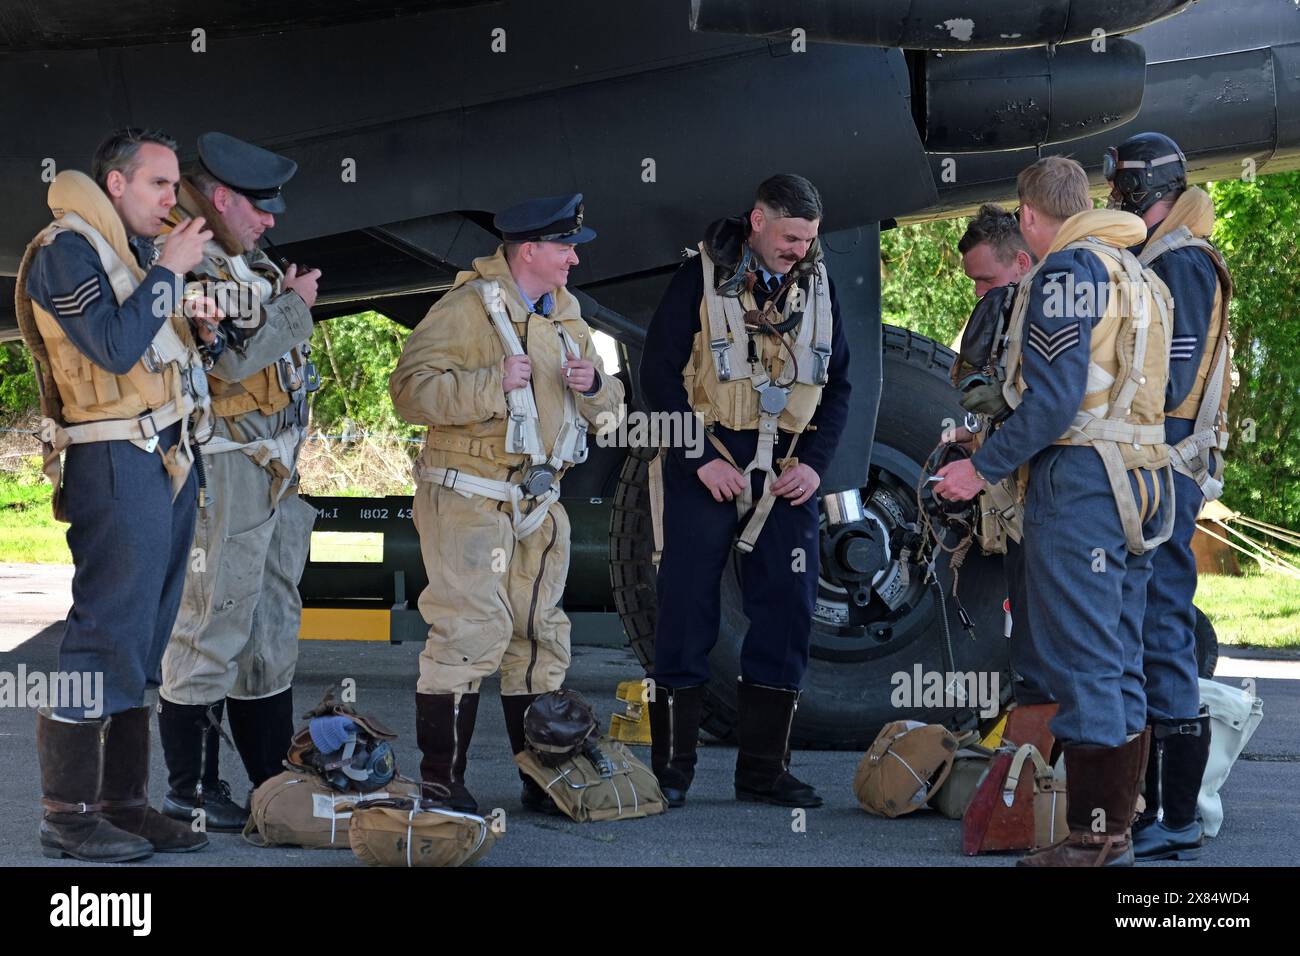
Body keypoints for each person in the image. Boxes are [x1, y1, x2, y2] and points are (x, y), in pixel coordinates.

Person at [935, 156, 1174, 866]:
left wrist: (978, 470)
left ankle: (1093, 840)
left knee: (1083, 664)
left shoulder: (1067, 273)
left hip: (1081, 488)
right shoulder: (1142, 274)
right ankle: (1118, 832)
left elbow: (1055, 398)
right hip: (1141, 481)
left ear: (1029, 217)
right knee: (1122, 660)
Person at [16, 128, 220, 860]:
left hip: (163, 454)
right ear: (115, 183)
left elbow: (147, 348)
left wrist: (196, 326)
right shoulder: (64, 249)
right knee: (105, 633)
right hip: (112, 457)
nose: (172, 200)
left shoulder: (128, 254)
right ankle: (66, 817)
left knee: (144, 641)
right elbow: (107, 345)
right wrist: (168, 274)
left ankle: (124, 806)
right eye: (160, 185)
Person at [390, 194, 624, 813]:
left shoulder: (570, 319)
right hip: (470, 497)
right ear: (530, 251)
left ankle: (541, 778)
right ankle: (442, 782)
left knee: (539, 637)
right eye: (565, 247)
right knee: (470, 632)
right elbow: (410, 392)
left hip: (540, 507)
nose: (575, 258)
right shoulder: (466, 310)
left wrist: (597, 386)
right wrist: (491, 384)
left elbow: (613, 415)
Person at [639, 173, 851, 809]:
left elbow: (839, 386)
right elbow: (659, 378)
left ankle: (763, 770)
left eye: (809, 239)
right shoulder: (698, 280)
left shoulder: (817, 286)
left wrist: (814, 466)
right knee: (685, 612)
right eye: (790, 236)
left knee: (788, 611)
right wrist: (699, 458)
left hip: (785, 476)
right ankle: (672, 771)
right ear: (758, 221)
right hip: (710, 465)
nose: (799, 249)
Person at [156, 132, 321, 831]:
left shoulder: (240, 256)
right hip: (225, 464)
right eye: (262, 206)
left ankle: (266, 777)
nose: (272, 221)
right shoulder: (189, 255)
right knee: (213, 617)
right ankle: (189, 793)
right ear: (221, 198)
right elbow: (229, 361)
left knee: (270, 623)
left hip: (270, 468)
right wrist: (296, 305)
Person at [1105, 132, 1231, 861]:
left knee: (1161, 630)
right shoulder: (1166, 253)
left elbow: (1172, 385)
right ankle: (1157, 807)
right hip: (1154, 469)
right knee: (1152, 628)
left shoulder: (1179, 261)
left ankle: (1175, 814)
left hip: (1165, 472)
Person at [950, 204, 1049, 707]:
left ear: (1022, 265)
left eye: (986, 279)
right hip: (1018, 512)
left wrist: (979, 468)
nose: (978, 293)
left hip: (1049, 512)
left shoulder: (1053, 320)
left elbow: (1049, 412)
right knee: (1028, 649)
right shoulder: (1013, 317)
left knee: (1047, 654)